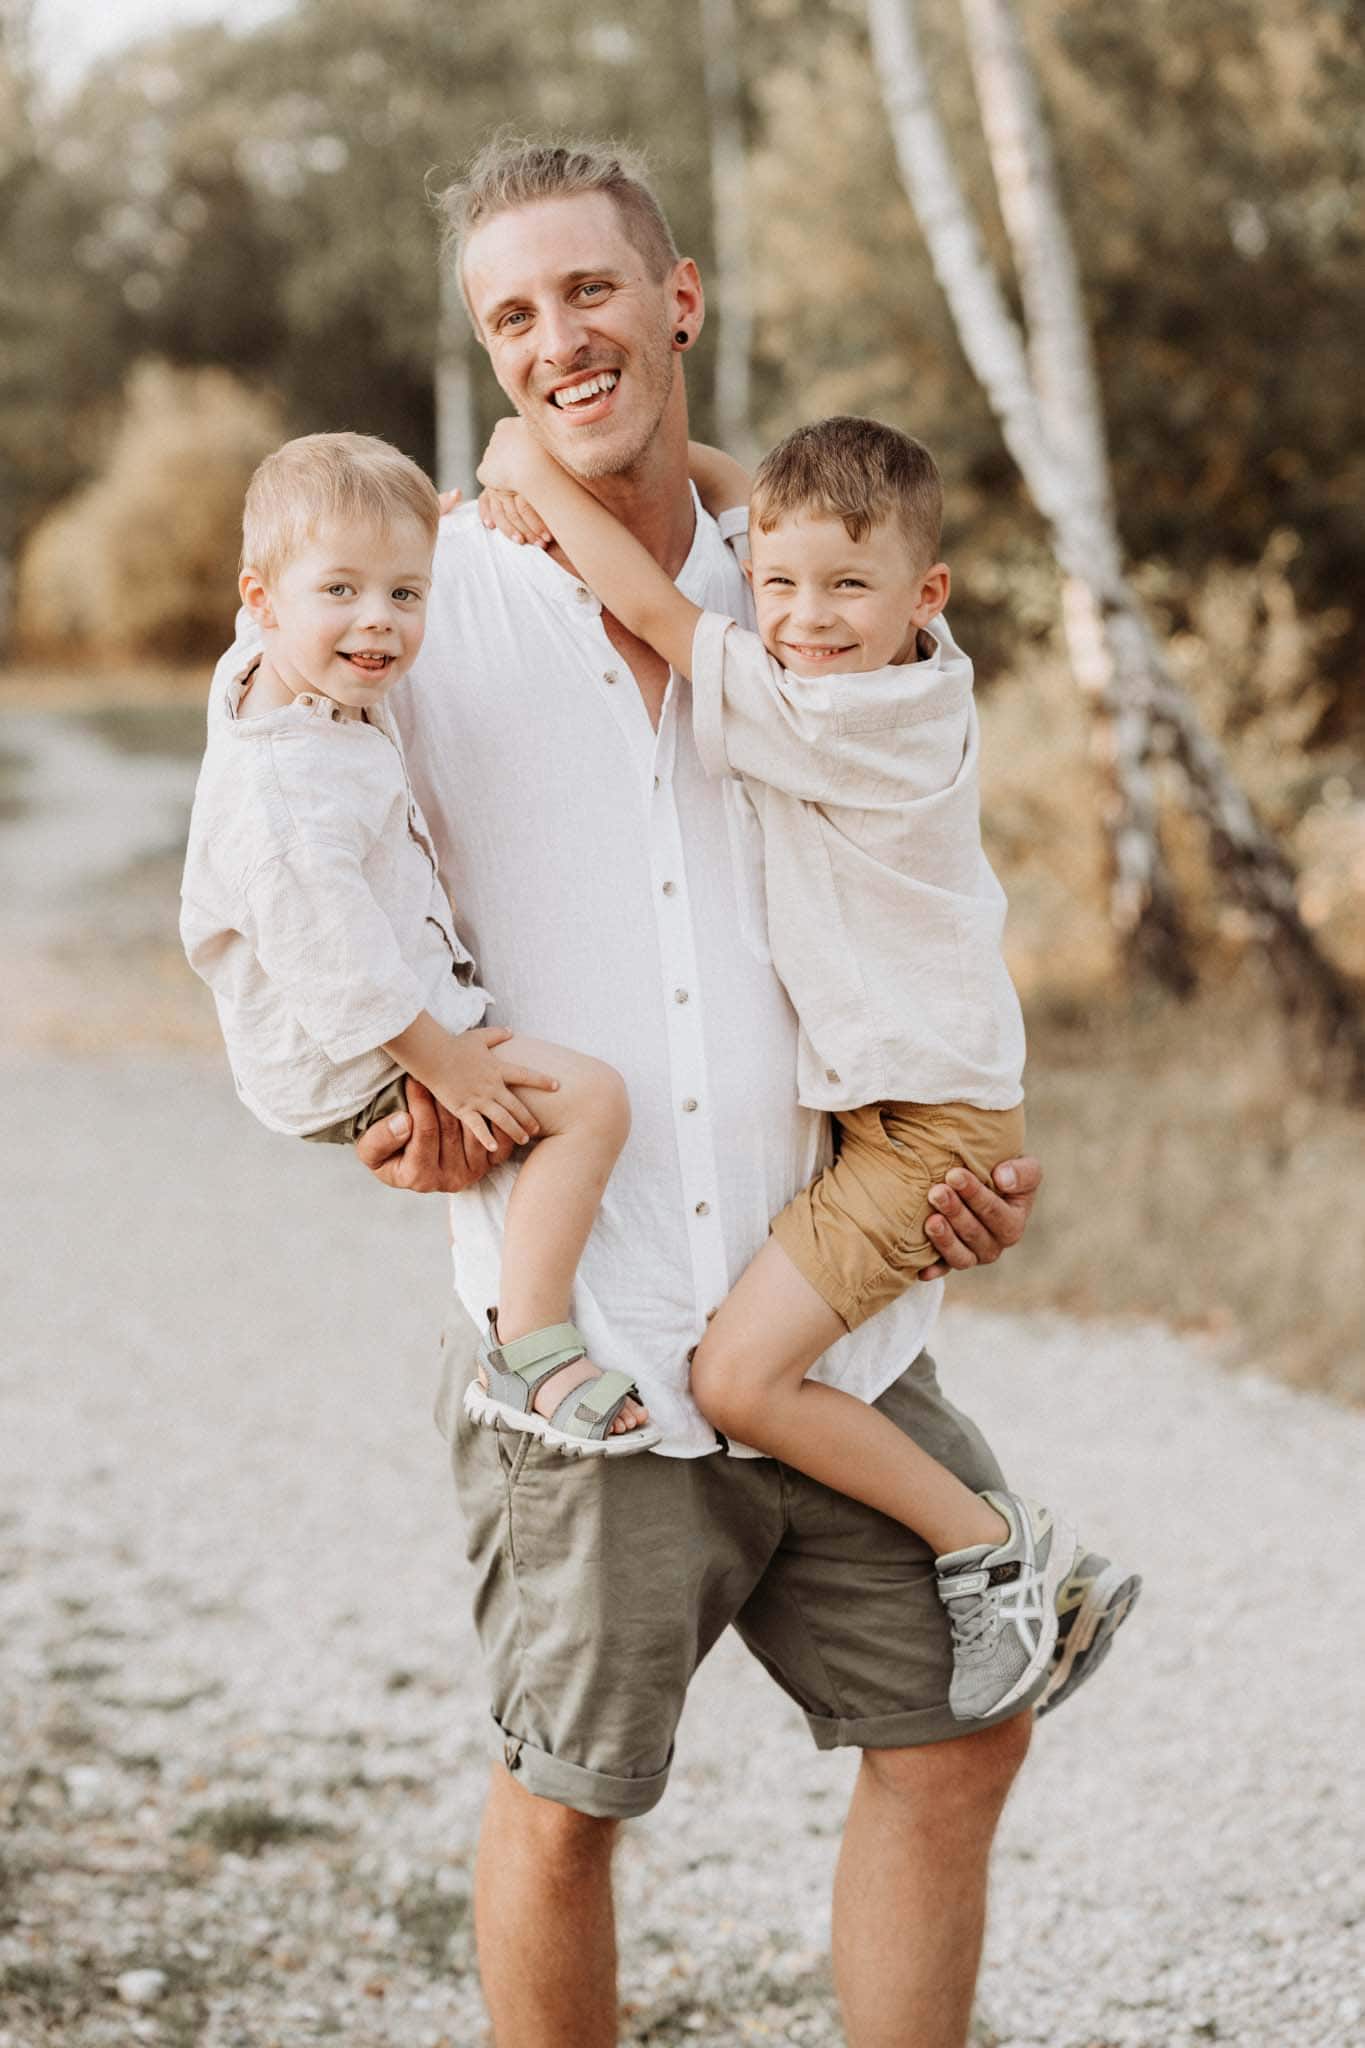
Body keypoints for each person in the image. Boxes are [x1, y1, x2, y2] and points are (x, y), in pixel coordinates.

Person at [212, 138, 1138, 2048]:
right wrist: (361, 1107)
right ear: (488, 354)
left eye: (594, 290)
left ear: (680, 298)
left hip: (831, 1315)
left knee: (966, 1730)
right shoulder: (411, 602)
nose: (562, 339)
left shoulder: (814, 586)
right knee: (567, 1807)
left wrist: (949, 1155)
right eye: (514, 314)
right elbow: (264, 863)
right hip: (592, 1335)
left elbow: (915, 893)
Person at [473, 405, 1108, 1722]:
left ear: (922, 593)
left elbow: (648, 604)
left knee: (737, 1380)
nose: (806, 616)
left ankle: (1000, 1551)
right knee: (751, 1368)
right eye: (778, 583)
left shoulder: (838, 714)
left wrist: (529, 461)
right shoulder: (924, 667)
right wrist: (733, 496)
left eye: (846, 589)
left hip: (926, 1135)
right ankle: (996, 1552)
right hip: (903, 1118)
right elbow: (763, 508)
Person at [180, 430, 658, 1452]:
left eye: (407, 594)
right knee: (592, 1102)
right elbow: (339, 973)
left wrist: (410, 535)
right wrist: (446, 1063)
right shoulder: (283, 796)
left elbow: (333, 585)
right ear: (262, 602)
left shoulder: (277, 665)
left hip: (372, 1010)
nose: (379, 623)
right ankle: (528, 1347)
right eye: (343, 592)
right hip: (348, 1048)